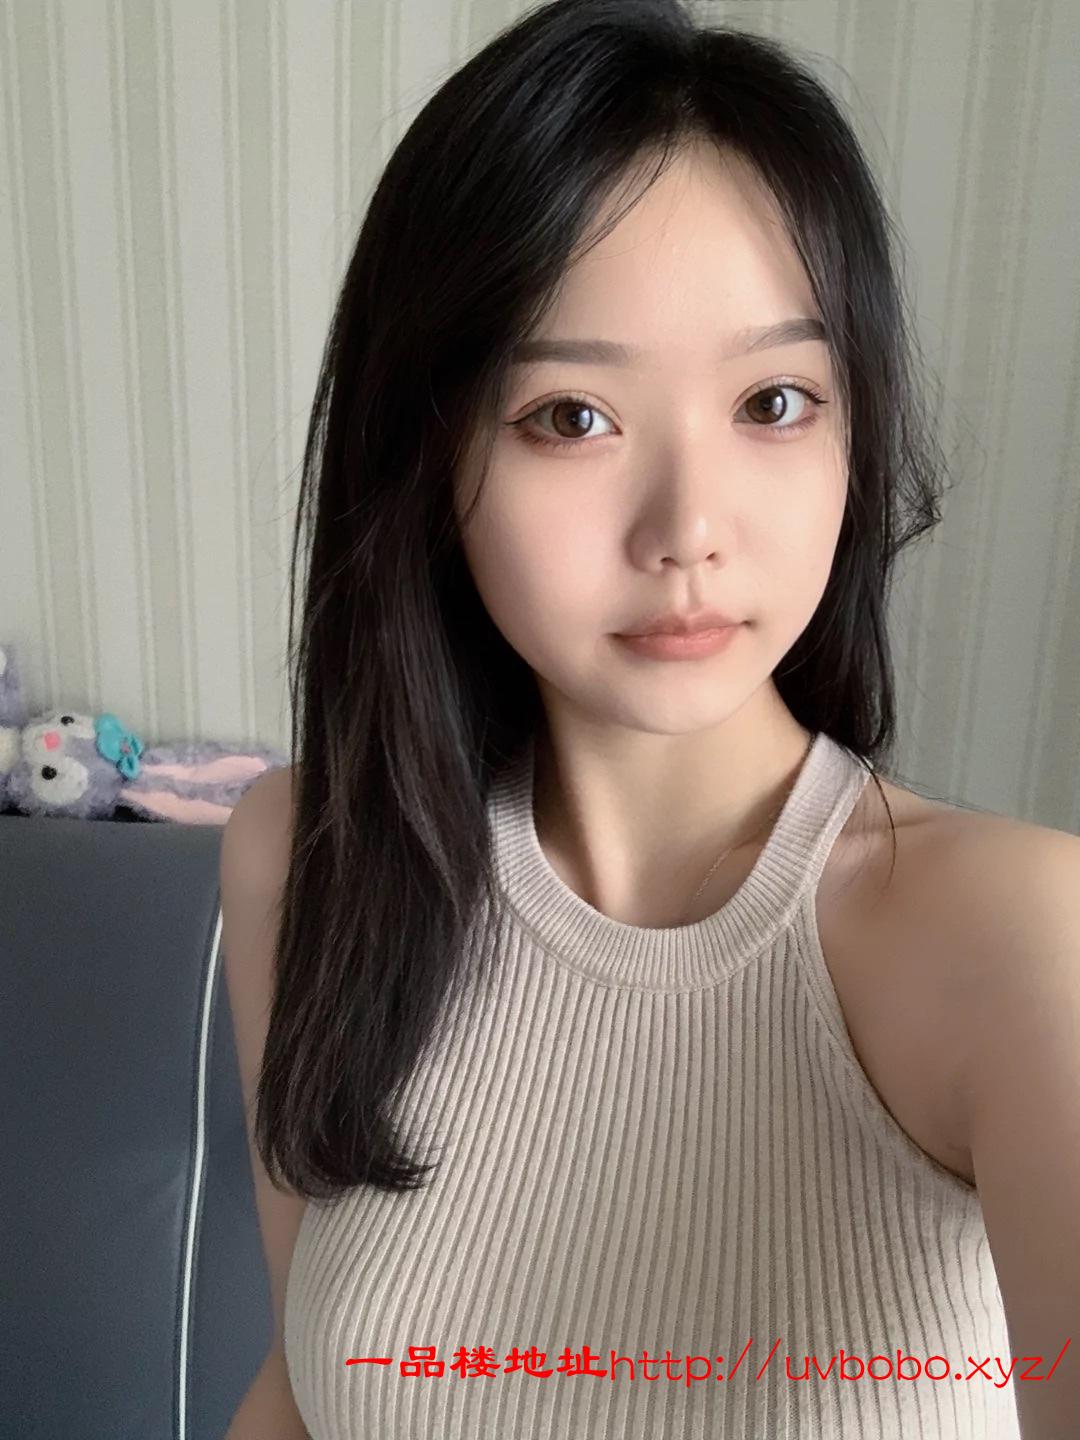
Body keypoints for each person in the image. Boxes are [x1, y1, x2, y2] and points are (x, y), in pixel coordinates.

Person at [221, 2, 1080, 1436]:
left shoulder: (1019, 939)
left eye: (776, 400)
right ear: (426, 454)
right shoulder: (305, 854)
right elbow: (302, 1397)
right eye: (571, 415)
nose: (689, 527)